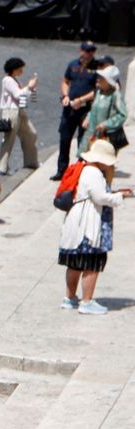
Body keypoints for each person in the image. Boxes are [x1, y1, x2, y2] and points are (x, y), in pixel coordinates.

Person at [58, 139, 129, 316]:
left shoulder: (82, 168)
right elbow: (99, 198)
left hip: (77, 219)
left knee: (75, 261)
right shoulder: (94, 172)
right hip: (88, 222)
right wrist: (121, 195)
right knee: (92, 262)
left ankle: (70, 297)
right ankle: (87, 301)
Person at [55, 42, 99, 181]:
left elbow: (97, 90)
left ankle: (80, 172)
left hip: (85, 109)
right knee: (64, 139)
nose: (89, 53)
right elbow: (65, 82)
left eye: (92, 51)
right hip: (69, 109)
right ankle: (61, 171)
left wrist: (81, 100)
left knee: (83, 141)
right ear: (81, 51)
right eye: (87, 51)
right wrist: (65, 96)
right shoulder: (73, 65)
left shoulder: (97, 67)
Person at [0, 58, 39, 175]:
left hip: (19, 110)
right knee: (9, 138)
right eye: (20, 68)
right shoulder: (7, 80)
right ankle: (2, 167)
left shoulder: (16, 81)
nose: (22, 71)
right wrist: (29, 87)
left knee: (31, 134)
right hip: (10, 111)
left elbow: (23, 98)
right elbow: (18, 94)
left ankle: (31, 162)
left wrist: (32, 89)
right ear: (14, 69)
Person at [81, 68, 125, 155]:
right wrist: (88, 117)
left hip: (106, 137)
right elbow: (94, 108)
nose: (98, 79)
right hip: (92, 135)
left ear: (108, 82)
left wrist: (106, 124)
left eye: (102, 77)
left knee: (102, 162)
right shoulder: (98, 92)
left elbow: (122, 115)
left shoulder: (115, 95)